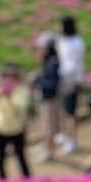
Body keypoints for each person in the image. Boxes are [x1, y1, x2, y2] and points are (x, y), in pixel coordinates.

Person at [0, 64, 34, 178]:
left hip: (17, 128)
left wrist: (9, 96)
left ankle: (27, 178)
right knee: (0, 157)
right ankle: (2, 179)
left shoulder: (21, 91)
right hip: (0, 127)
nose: (8, 79)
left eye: (11, 77)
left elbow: (22, 106)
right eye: (5, 77)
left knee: (20, 156)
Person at [56, 14, 86, 153]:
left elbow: (76, 64)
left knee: (70, 112)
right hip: (61, 79)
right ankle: (64, 135)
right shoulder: (62, 41)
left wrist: (75, 81)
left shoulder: (76, 42)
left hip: (71, 81)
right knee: (62, 110)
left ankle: (72, 140)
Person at [31, 33, 62, 161]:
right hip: (47, 98)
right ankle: (46, 147)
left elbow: (52, 84)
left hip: (49, 99)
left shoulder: (53, 62)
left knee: (48, 127)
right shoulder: (49, 61)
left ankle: (49, 152)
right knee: (46, 125)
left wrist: (37, 80)